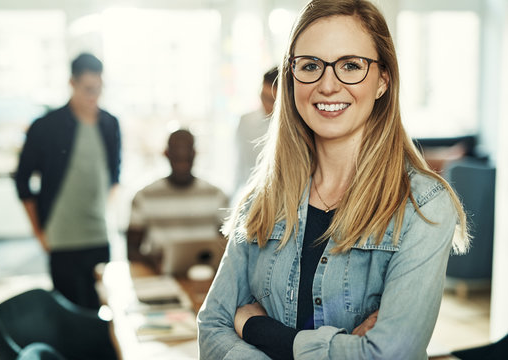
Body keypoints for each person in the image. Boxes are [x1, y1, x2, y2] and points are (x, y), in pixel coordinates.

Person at [197, 0, 469, 359]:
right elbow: (211, 329)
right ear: (291, 77)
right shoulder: (262, 199)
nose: (327, 85)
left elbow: (387, 354)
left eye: (350, 66)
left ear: (383, 80)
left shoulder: (422, 205)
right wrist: (344, 347)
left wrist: (258, 329)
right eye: (310, 66)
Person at [15, 53, 121, 310]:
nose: (93, 95)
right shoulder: (46, 126)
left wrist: (102, 212)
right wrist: (38, 231)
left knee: (102, 312)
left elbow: (114, 176)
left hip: (98, 237)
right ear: (72, 84)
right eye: (87, 89)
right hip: (61, 237)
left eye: (98, 89)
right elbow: (22, 179)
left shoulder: (110, 124)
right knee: (68, 315)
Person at [127, 129, 228, 270]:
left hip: (205, 275)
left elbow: (229, 245)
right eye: (177, 158)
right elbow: (131, 250)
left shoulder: (216, 194)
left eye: (186, 159)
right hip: (160, 275)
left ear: (194, 154)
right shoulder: (144, 196)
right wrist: (152, 261)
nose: (182, 164)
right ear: (166, 154)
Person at [234, 66, 279, 194]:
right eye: (263, 96)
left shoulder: (298, 127)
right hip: (252, 196)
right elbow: (239, 167)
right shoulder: (246, 122)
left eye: (271, 100)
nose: (265, 104)